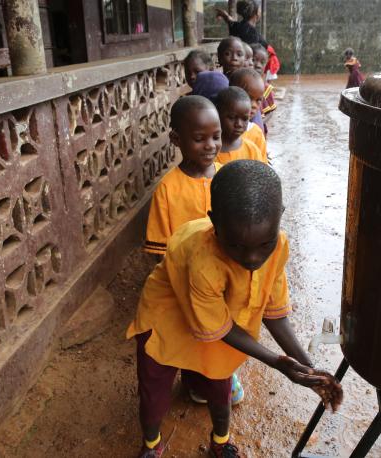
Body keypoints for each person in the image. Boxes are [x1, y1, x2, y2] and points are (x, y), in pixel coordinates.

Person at [127, 160, 344, 457]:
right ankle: (151, 444)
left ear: (279, 218)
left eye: (263, 244)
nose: (253, 258)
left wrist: (309, 368)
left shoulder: (277, 246)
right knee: (155, 389)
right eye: (237, 246)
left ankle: (221, 441)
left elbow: (274, 312)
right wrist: (277, 362)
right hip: (168, 316)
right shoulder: (204, 261)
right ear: (214, 222)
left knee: (220, 382)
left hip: (216, 322)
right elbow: (222, 328)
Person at [143, 96, 221, 257]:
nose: (211, 145)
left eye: (216, 137)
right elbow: (159, 250)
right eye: (199, 138)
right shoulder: (167, 189)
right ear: (176, 139)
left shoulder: (227, 178)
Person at [214, 87, 266, 165]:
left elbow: (261, 175)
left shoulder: (251, 150)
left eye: (245, 119)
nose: (239, 124)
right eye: (231, 117)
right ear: (217, 113)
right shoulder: (209, 153)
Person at [229, 68, 267, 159]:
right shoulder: (217, 131)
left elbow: (262, 167)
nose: (253, 105)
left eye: (258, 100)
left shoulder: (256, 133)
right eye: (249, 98)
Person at [251, 44, 276, 135]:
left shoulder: (266, 88)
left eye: (262, 62)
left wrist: (259, 122)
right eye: (254, 60)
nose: (258, 65)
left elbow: (270, 112)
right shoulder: (241, 85)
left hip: (259, 132)